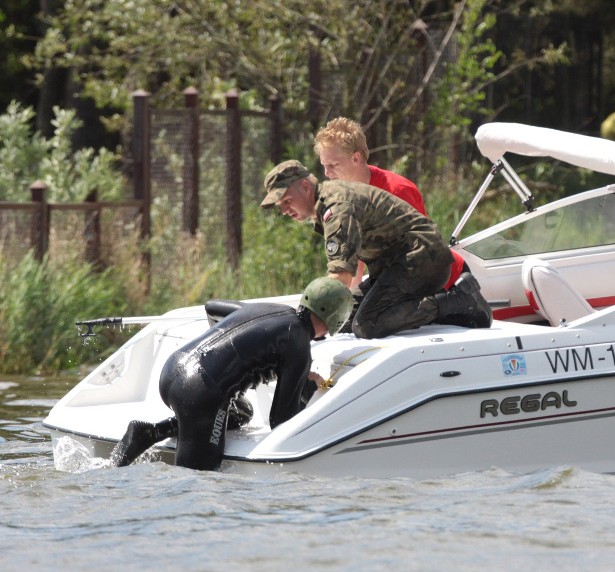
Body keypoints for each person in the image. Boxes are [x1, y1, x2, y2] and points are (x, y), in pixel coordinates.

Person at [110, 277, 354, 470]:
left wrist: (229, 360)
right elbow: (280, 420)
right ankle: (170, 430)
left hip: (173, 369)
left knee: (241, 413)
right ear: (336, 319)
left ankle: (149, 433)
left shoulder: (269, 308)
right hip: (200, 393)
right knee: (195, 485)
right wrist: (306, 389)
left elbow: (212, 307)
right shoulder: (299, 345)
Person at [261, 160, 492, 339]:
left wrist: (309, 326)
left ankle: (459, 299)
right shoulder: (326, 201)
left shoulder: (336, 206)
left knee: (367, 324)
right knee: (346, 320)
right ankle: (438, 310)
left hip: (422, 259)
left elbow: (340, 277)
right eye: (280, 206)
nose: (283, 210)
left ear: (305, 187)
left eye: (286, 201)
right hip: (397, 265)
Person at [313, 116, 467, 290]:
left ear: (356, 158)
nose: (327, 173)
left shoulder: (397, 191)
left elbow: (423, 255)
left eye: (333, 165)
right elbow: (354, 261)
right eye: (324, 165)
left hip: (446, 282)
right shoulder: (345, 198)